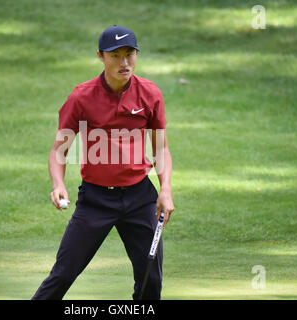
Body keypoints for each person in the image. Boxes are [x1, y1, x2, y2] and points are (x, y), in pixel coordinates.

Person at [32, 25, 174, 300]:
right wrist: (58, 183)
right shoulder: (81, 97)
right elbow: (59, 150)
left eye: (129, 54)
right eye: (115, 55)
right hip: (96, 199)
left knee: (151, 281)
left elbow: (161, 148)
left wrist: (165, 188)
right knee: (63, 273)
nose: (124, 62)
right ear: (100, 56)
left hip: (140, 198)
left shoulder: (150, 93)